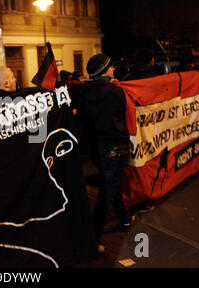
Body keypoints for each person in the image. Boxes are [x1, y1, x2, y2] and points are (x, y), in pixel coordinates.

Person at [80, 54, 134, 253]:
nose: (113, 70)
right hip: (115, 146)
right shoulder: (116, 92)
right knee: (107, 193)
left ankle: (125, 219)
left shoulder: (84, 92)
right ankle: (92, 238)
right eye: (110, 67)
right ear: (104, 70)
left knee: (111, 183)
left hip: (97, 148)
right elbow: (122, 116)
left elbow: (84, 122)